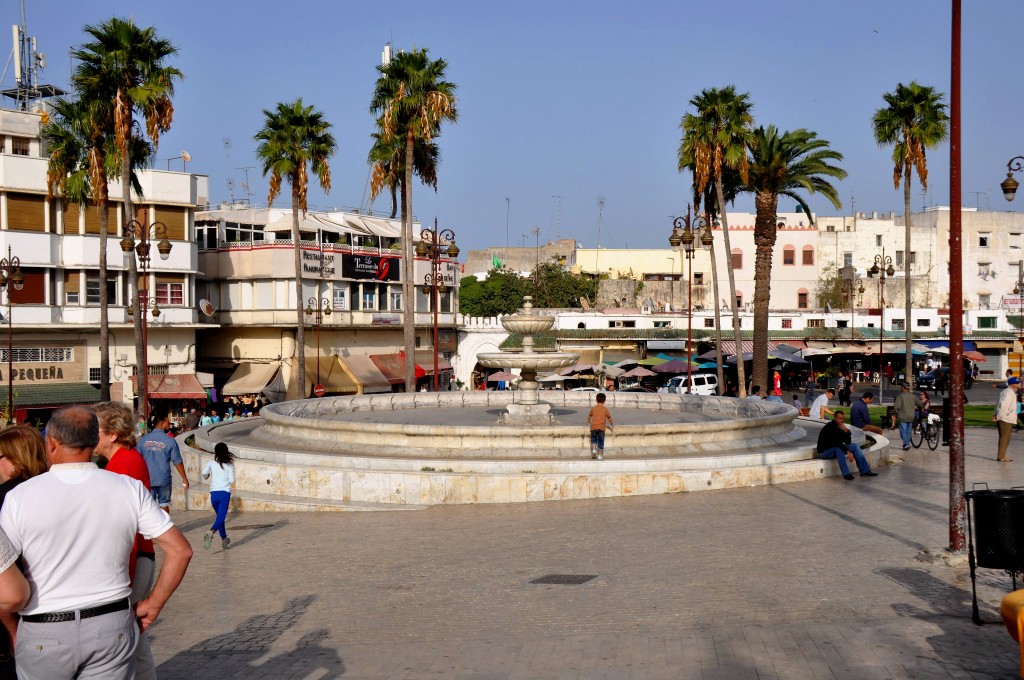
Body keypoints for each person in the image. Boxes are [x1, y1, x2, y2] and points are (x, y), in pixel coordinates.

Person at [0, 406, 192, 680]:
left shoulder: (20, 497)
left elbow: (6, 573)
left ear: (51, 443)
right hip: (109, 625)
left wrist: (12, 630)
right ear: (92, 442)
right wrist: (154, 603)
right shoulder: (126, 488)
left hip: (45, 627)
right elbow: (181, 550)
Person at [93, 401, 159, 680]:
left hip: (134, 557)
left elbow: (125, 526)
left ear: (112, 434)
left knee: (128, 639)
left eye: (95, 428)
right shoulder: (122, 461)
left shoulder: (123, 465)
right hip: (138, 554)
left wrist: (121, 573)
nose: (90, 434)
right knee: (135, 639)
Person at [138, 408, 189, 514]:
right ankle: (164, 528)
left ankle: (151, 529)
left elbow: (137, 459)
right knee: (164, 503)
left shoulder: (142, 441)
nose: (169, 425)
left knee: (148, 505)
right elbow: (177, 461)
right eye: (167, 423)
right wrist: (184, 478)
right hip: (163, 479)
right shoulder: (170, 441)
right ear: (161, 423)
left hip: (148, 479)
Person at [816, 410, 878, 480]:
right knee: (838, 449)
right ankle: (846, 474)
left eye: (843, 418)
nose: (842, 420)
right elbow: (836, 443)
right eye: (839, 418)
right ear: (835, 418)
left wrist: (846, 431)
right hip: (824, 452)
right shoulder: (830, 427)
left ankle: (865, 470)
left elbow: (848, 442)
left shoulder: (840, 426)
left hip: (836, 447)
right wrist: (848, 452)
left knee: (855, 446)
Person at [202, 443, 236, 550]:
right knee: (221, 518)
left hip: (214, 495)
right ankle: (210, 532)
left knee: (219, 518)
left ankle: (224, 539)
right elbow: (232, 480)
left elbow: (204, 473)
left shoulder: (211, 463)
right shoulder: (229, 465)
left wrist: (207, 475)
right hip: (224, 494)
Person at [994, 377, 1022, 462]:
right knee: (1004, 438)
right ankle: (1001, 456)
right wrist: (999, 416)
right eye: (1018, 383)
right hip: (1005, 419)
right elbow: (1003, 406)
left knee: (1006, 438)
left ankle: (1002, 455)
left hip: (1006, 418)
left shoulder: (1010, 392)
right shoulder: (1008, 393)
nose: (1019, 384)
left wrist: (996, 414)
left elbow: (997, 404)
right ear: (1013, 384)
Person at [893, 382, 920, 452]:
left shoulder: (900, 396)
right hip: (911, 416)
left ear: (903, 387)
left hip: (903, 416)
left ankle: (906, 444)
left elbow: (896, 406)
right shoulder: (913, 396)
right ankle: (906, 444)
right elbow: (920, 403)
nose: (900, 388)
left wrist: (896, 412)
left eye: (901, 387)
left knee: (903, 432)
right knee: (908, 431)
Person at [586, 393, 613, 461]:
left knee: (594, 440)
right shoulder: (605, 409)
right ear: (604, 401)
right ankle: (600, 455)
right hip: (601, 428)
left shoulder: (593, 409)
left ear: (596, 400)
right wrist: (612, 424)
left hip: (593, 427)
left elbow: (589, 415)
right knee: (601, 441)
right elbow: (609, 418)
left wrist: (588, 421)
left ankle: (594, 449)